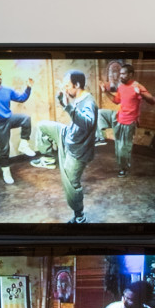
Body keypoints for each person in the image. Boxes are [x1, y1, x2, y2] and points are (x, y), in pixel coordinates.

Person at [30, 70, 99, 223]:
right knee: (42, 126)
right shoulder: (79, 98)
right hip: (68, 134)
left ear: (78, 84)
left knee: (71, 184)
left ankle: (79, 217)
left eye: (68, 86)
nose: (66, 89)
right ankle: (47, 158)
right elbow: (76, 118)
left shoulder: (89, 102)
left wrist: (68, 107)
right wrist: (63, 101)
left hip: (78, 150)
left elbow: (88, 123)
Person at [98, 64, 155, 177]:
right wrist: (105, 91)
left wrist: (141, 94)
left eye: (123, 74)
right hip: (119, 118)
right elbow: (116, 101)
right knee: (99, 113)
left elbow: (153, 101)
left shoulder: (137, 86)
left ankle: (123, 169)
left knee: (122, 148)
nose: (121, 76)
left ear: (131, 74)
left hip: (129, 122)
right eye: (120, 74)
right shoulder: (121, 86)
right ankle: (99, 137)